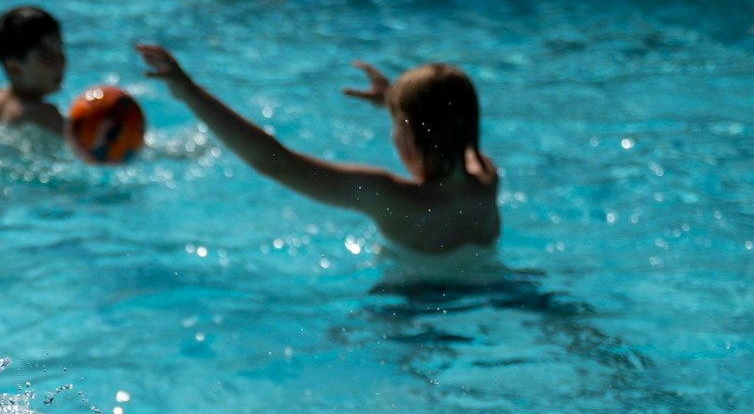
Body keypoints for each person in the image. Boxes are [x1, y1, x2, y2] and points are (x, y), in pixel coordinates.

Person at [135, 44, 500, 256]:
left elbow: (275, 162)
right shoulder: (486, 179)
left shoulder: (390, 197)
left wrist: (191, 94)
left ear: (407, 136)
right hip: (497, 292)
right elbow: (454, 128)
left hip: (413, 308)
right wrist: (397, 103)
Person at [0, 6, 67, 136]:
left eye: (61, 51)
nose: (61, 62)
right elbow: (89, 144)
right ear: (14, 68)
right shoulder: (45, 113)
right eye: (47, 57)